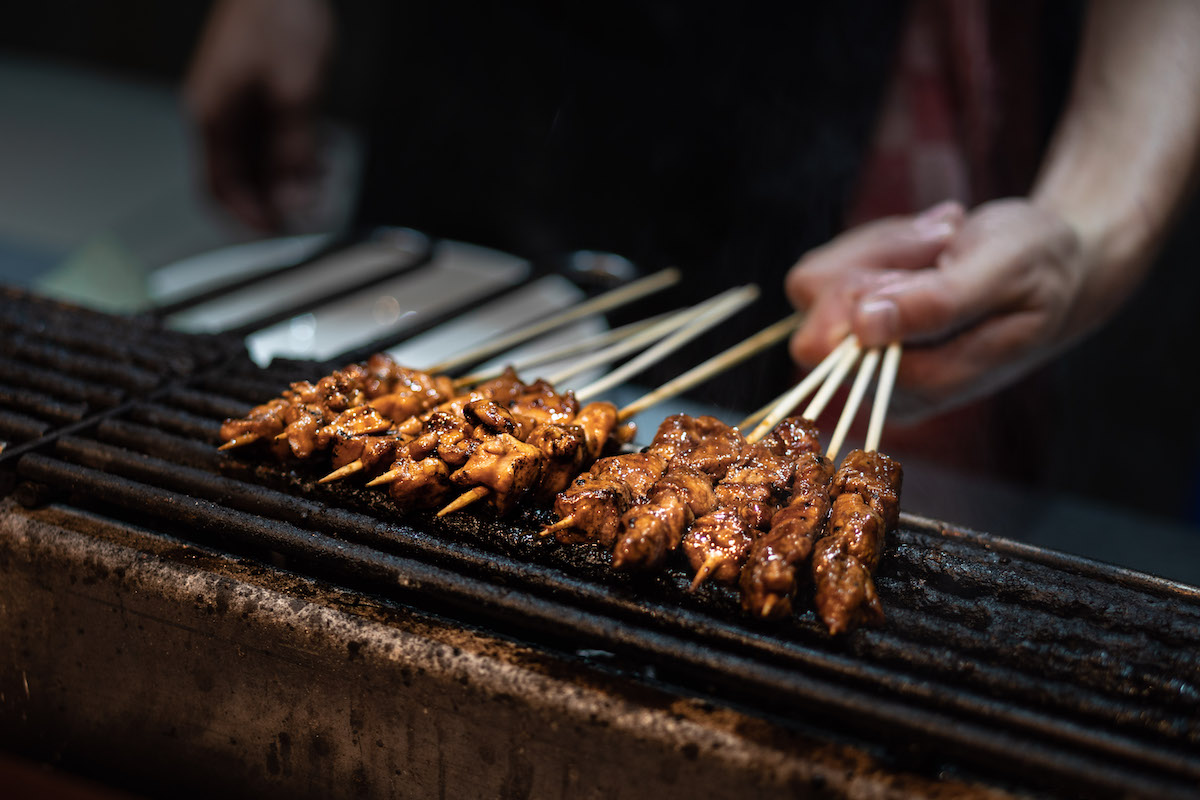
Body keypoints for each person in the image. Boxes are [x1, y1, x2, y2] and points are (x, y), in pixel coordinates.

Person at [186, 0, 1200, 424]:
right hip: (481, 51)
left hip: (797, 71)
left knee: (778, 389)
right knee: (388, 400)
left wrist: (1089, 223)